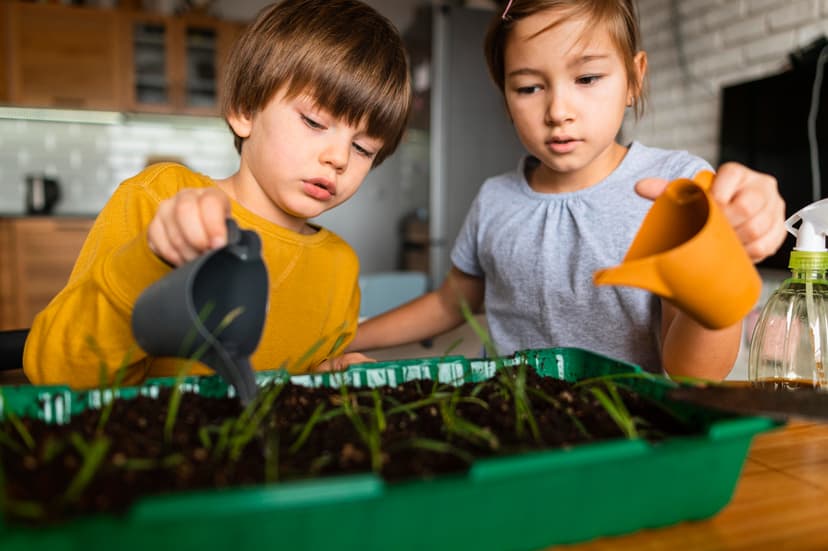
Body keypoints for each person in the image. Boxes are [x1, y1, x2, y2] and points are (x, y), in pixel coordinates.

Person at [348, 0, 786, 381]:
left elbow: (695, 372)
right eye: (529, 87)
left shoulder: (677, 186)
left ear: (634, 78)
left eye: (587, 78)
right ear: (505, 96)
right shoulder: (494, 199)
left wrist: (714, 267)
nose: (558, 111)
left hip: (622, 435)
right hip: (511, 426)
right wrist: (346, 336)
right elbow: (450, 303)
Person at [23, 0, 411, 387]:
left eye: (363, 149)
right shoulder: (160, 200)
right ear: (245, 110)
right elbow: (56, 373)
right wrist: (151, 257)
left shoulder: (340, 267)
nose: (339, 158)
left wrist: (330, 374)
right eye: (313, 121)